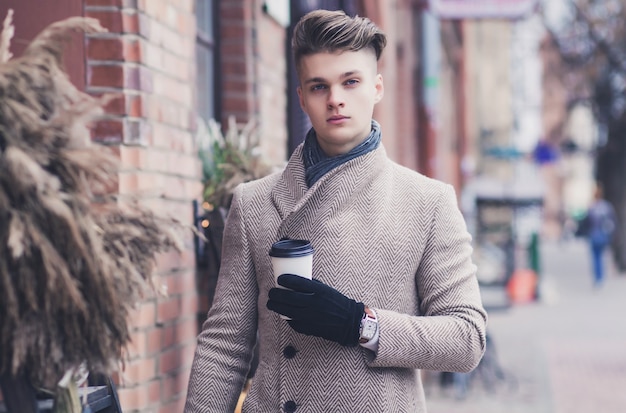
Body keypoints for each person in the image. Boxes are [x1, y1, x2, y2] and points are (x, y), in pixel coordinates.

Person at [184, 9, 487, 412]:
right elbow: (224, 345)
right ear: (302, 98)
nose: (336, 99)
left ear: (377, 87)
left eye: (351, 81)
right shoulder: (254, 203)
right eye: (318, 86)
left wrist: (359, 324)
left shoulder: (427, 202)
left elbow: (466, 339)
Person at [580, 184, 617, 287]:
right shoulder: (607, 206)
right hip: (604, 235)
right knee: (601, 256)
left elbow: (585, 223)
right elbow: (613, 221)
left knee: (595, 257)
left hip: (593, 235)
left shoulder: (592, 207)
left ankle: (597, 278)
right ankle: (601, 277)